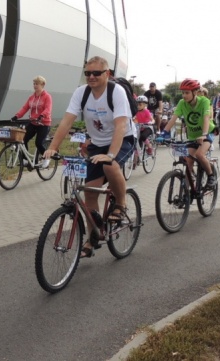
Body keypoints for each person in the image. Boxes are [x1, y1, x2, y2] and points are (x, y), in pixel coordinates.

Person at [44, 56, 134, 258]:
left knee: (110, 166)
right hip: (97, 143)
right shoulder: (81, 93)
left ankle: (121, 204)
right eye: (87, 73)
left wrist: (110, 154)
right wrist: (52, 147)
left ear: (107, 74)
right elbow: (67, 121)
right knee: (89, 193)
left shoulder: (116, 92)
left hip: (123, 138)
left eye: (96, 73)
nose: (91, 77)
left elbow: (121, 125)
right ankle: (93, 236)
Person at [161, 79, 217, 187]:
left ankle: (211, 176)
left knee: (200, 155)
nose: (184, 95)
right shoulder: (182, 103)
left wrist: (204, 134)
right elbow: (173, 119)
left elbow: (206, 118)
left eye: (187, 93)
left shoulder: (204, 101)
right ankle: (186, 191)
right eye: (182, 92)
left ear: (195, 92)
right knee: (188, 161)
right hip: (192, 136)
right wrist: (164, 133)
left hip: (207, 133)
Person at [11, 75, 53, 168]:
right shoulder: (31, 98)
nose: (35, 86)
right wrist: (17, 116)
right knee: (23, 139)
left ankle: (46, 158)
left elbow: (48, 109)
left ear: (42, 84)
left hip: (43, 123)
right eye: (34, 84)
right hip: (33, 122)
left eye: (37, 84)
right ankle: (26, 160)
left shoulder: (47, 97)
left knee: (38, 143)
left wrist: (42, 115)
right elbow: (25, 108)